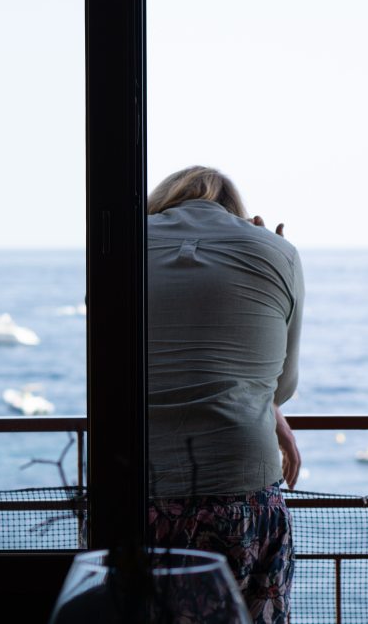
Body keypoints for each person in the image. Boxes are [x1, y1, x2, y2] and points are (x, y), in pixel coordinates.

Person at [145, 165, 304, 624]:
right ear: (235, 211)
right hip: (241, 487)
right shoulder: (277, 251)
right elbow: (282, 386)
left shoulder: (118, 247)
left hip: (135, 487)